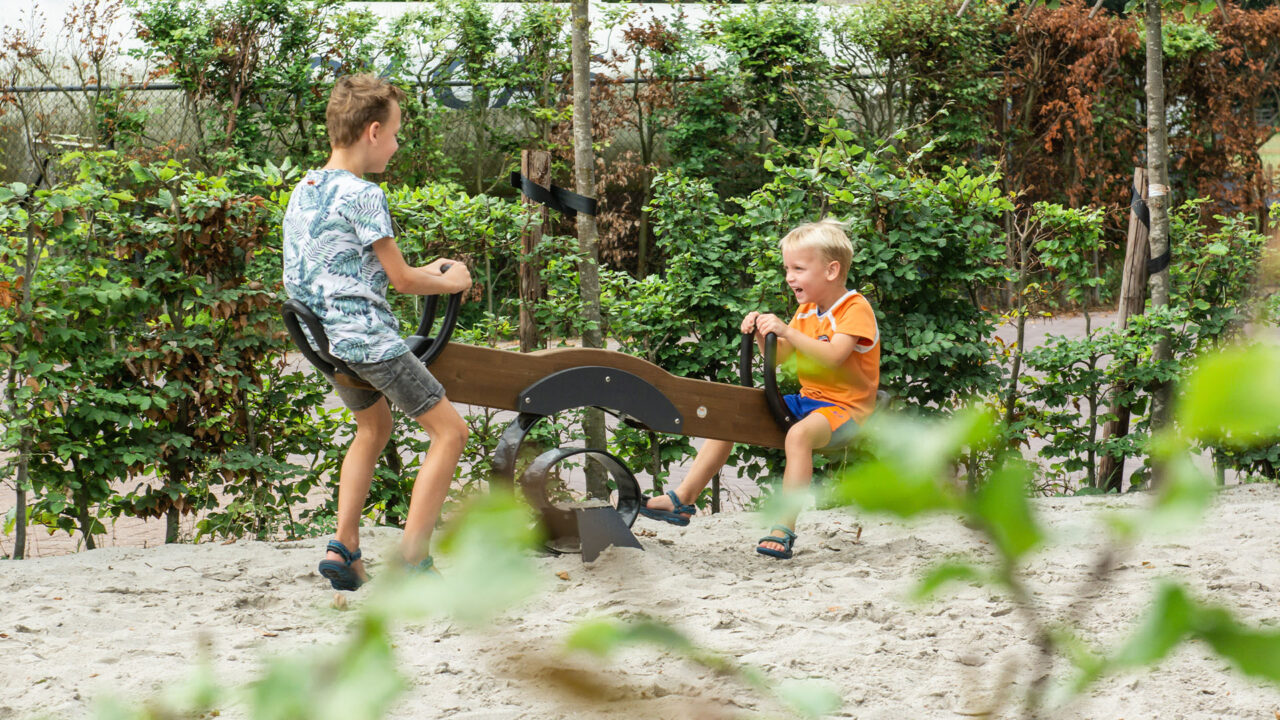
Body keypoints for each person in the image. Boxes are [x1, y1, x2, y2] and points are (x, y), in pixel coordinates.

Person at [282, 74, 472, 590]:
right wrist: (451, 277)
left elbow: (342, 266)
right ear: (371, 131)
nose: (397, 142)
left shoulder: (305, 189)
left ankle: (344, 548)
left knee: (374, 428)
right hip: (367, 340)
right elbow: (403, 279)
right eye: (395, 132)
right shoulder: (364, 194)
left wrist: (426, 271)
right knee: (451, 433)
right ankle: (413, 559)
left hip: (326, 340)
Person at [640, 219, 880, 559]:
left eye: (798, 268)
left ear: (831, 270)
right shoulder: (807, 310)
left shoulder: (854, 309)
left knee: (798, 437)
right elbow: (782, 357)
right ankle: (683, 499)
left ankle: (784, 526)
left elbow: (832, 357)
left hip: (847, 410)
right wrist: (762, 333)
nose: (789, 277)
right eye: (787, 268)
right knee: (732, 414)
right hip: (810, 402)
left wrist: (787, 330)